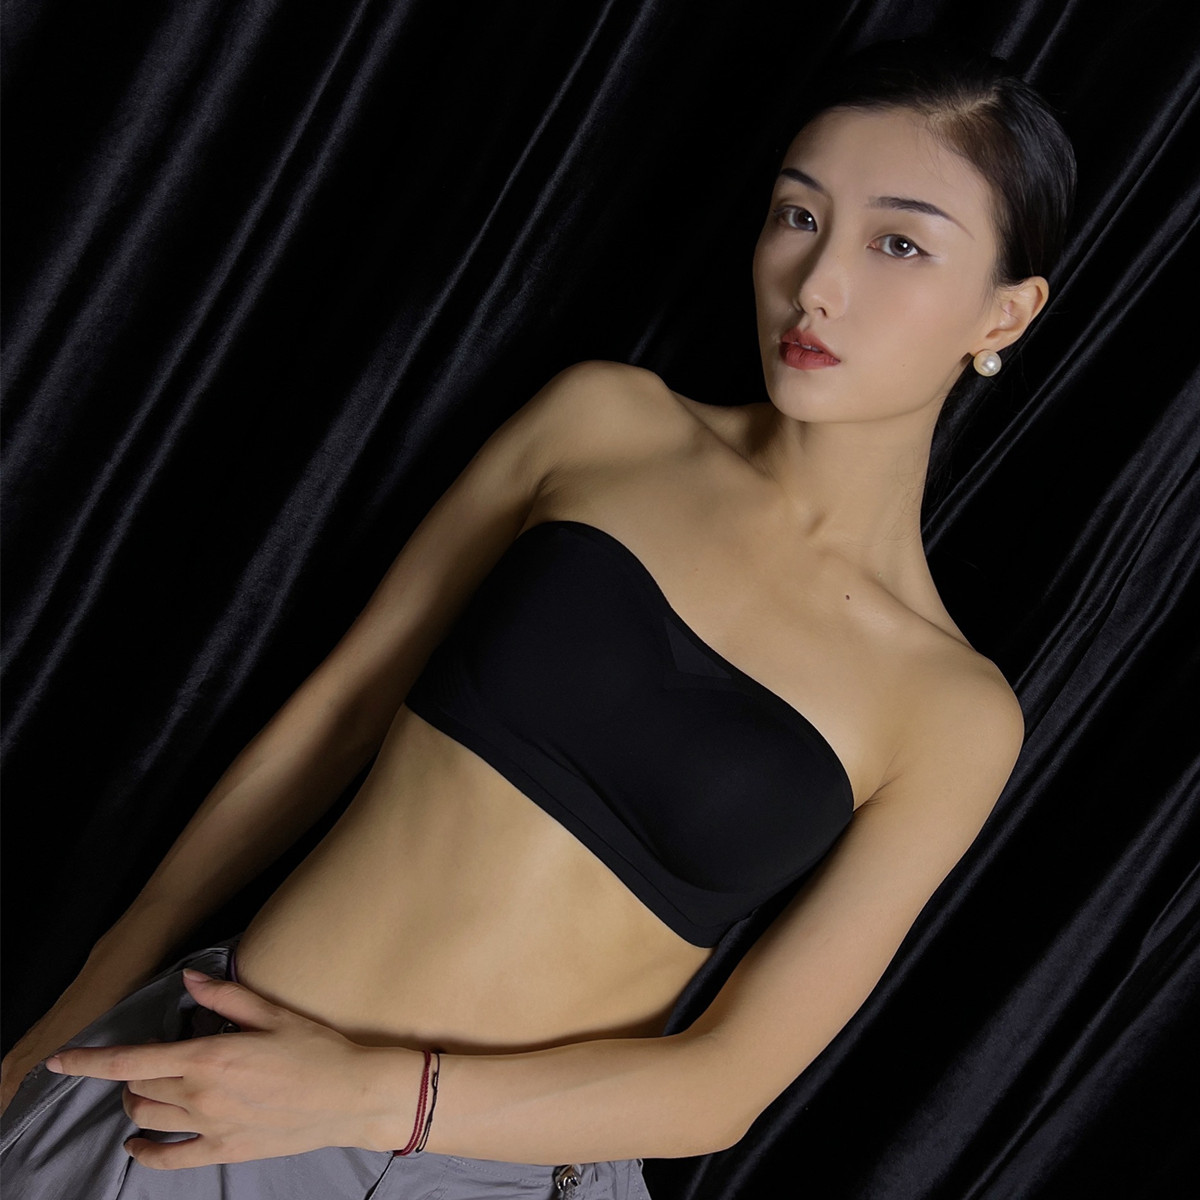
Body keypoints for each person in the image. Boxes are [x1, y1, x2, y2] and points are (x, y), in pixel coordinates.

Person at [1, 38, 1075, 1200]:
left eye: (899, 243)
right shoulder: (603, 425)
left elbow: (726, 1084)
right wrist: (74, 1011)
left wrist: (369, 1097)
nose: (815, 283)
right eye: (797, 216)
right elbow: (334, 720)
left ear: (1005, 313)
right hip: (208, 1096)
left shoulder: (952, 714)